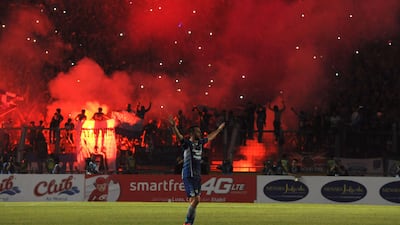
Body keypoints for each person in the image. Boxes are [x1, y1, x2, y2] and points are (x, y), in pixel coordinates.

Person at [169, 117, 225, 225]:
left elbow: (209, 137)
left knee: (195, 200)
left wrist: (218, 130)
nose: (200, 133)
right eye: (198, 131)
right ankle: (187, 223)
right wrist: (174, 127)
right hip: (188, 175)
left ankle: (190, 223)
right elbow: (179, 137)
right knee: (196, 200)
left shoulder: (200, 143)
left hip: (197, 176)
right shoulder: (187, 144)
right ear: (192, 133)